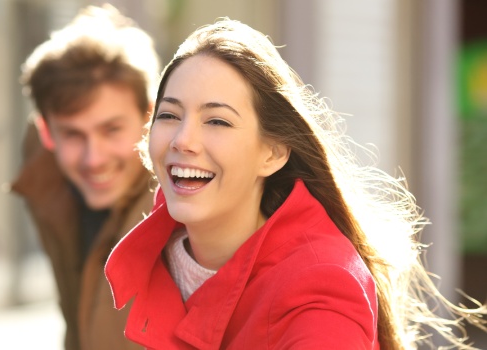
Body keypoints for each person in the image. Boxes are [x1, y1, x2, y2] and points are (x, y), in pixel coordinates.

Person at [105, 18, 487, 349]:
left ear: (272, 153)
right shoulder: (141, 247)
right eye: (170, 115)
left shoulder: (321, 286)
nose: (183, 140)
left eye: (217, 121)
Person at [11, 4, 159, 350]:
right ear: (46, 132)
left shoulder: (181, 208)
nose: (94, 158)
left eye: (112, 129)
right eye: (73, 134)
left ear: (149, 117)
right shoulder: (50, 185)